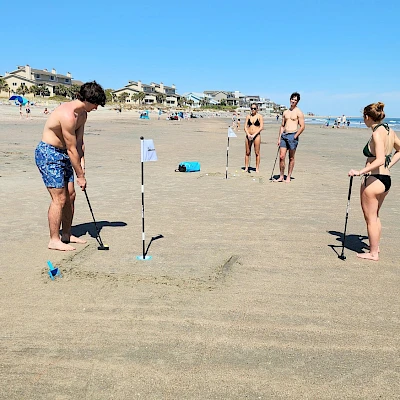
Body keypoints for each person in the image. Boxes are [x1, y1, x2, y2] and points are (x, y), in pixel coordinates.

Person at [35, 81, 106, 251]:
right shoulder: (67, 115)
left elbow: (79, 143)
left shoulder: (83, 115)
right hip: (49, 154)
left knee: (71, 195)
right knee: (59, 198)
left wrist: (82, 165)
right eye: (95, 104)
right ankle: (54, 239)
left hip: (66, 154)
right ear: (87, 100)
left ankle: (66, 234)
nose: (96, 108)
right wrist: (80, 176)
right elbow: (71, 148)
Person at [348, 102, 400, 261]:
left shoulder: (377, 133)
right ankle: (375, 247)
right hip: (386, 180)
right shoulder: (389, 130)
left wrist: (359, 172)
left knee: (370, 218)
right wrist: (389, 165)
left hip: (373, 180)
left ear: (367, 117)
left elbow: (379, 159)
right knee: (375, 216)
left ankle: (373, 252)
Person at [274, 92, 305, 182]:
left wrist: (295, 136)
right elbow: (282, 126)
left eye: (295, 100)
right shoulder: (285, 112)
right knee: (281, 156)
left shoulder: (299, 112)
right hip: (284, 135)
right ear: (290, 99)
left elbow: (302, 126)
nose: (293, 101)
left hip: (292, 135)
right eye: (292, 99)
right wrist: (279, 138)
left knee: (291, 157)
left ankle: (288, 176)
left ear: (297, 102)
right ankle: (281, 176)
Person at [244, 103, 263, 172]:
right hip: (248, 135)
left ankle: (257, 168)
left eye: (254, 108)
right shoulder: (248, 116)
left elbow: (261, 127)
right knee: (247, 152)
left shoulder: (259, 116)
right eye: (252, 108)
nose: (253, 110)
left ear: (257, 109)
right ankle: (246, 167)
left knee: (257, 152)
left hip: (256, 135)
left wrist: (254, 134)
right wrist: (248, 134)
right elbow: (245, 127)